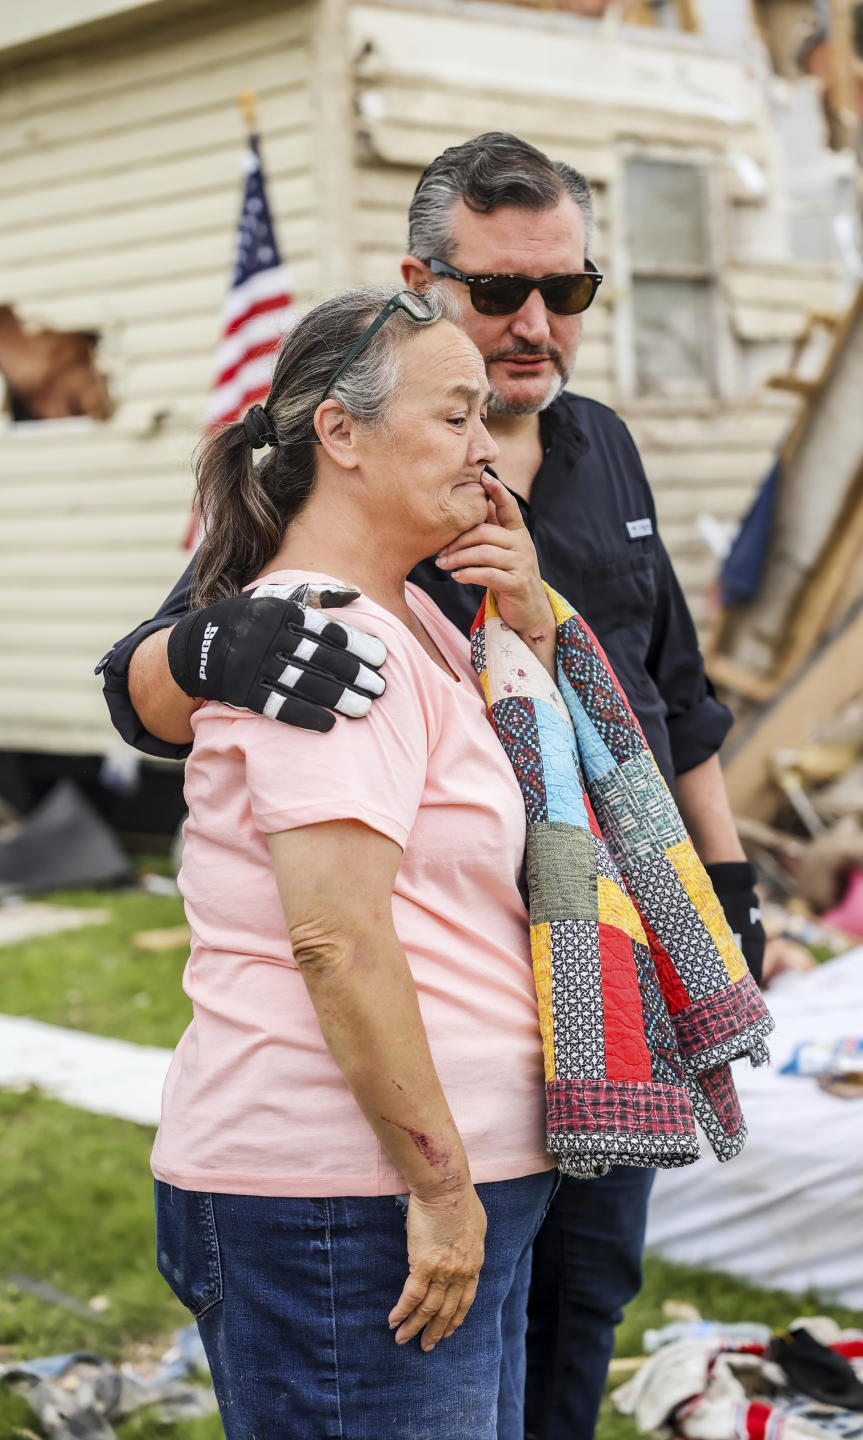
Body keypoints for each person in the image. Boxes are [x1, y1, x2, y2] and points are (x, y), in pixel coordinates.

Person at [99, 133, 765, 1440]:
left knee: (582, 1307)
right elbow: (155, 685)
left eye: (566, 293)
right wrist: (206, 645)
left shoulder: (601, 452)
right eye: (502, 292)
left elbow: (672, 697)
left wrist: (724, 887)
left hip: (591, 1001)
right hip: (400, 1103)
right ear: (423, 282)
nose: (535, 324)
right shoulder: (338, 570)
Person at [152, 282, 563, 1440]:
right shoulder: (318, 640)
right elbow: (337, 936)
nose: (488, 453)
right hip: (346, 1201)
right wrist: (439, 1187)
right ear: (340, 432)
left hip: (446, 1187)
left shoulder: (428, 619)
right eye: (454, 417)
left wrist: (527, 617)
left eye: (487, 418)